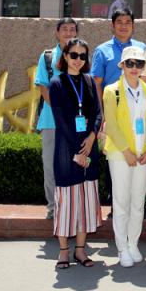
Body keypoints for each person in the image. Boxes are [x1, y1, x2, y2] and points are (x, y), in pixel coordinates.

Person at [48, 38, 102, 270]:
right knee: (66, 204)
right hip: (66, 152)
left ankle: (80, 250)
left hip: (89, 149)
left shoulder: (89, 81)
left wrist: (91, 138)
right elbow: (61, 120)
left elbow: (98, 113)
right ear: (65, 56)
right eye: (73, 55)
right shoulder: (56, 83)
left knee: (86, 203)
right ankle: (63, 251)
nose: (78, 60)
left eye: (82, 56)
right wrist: (76, 151)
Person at [102, 46, 146, 268]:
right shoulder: (111, 91)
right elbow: (111, 125)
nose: (134, 68)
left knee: (138, 203)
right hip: (120, 154)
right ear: (122, 65)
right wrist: (126, 152)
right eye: (130, 63)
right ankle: (122, 247)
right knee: (121, 202)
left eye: (139, 63)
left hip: (143, 155)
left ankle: (133, 244)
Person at [91, 5, 146, 209]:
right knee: (115, 155)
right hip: (113, 113)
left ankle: (137, 205)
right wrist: (102, 115)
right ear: (112, 26)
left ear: (133, 25)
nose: (124, 26)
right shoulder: (102, 50)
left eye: (128, 22)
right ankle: (115, 203)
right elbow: (96, 83)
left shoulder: (142, 48)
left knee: (138, 155)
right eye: (119, 22)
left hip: (138, 112)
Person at [34, 17, 78, 219]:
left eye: (72, 29)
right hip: (51, 120)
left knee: (75, 164)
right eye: (65, 29)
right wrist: (62, 111)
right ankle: (53, 207)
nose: (69, 33)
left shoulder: (80, 55)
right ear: (57, 32)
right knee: (51, 165)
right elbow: (43, 87)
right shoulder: (47, 57)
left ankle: (72, 206)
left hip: (76, 122)